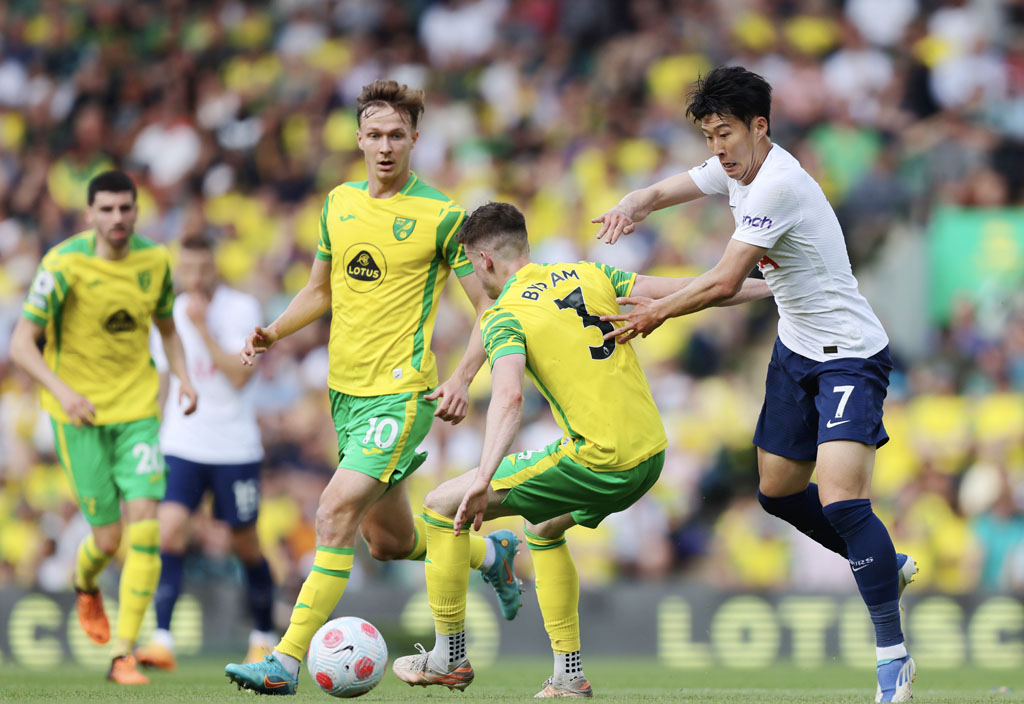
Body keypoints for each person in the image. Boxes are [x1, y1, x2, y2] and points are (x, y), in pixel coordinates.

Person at [593, 66, 918, 703]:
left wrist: (658, 311)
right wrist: (636, 201)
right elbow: (678, 185)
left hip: (849, 356)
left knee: (845, 502)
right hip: (796, 350)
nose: (717, 149)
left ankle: (893, 660)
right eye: (710, 136)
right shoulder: (734, 167)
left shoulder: (778, 185)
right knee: (776, 490)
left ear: (759, 127)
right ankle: (886, 563)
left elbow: (722, 281)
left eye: (725, 134)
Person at [392, 202, 770, 698]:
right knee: (544, 528)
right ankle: (568, 674)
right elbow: (692, 289)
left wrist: (483, 477)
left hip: (601, 459)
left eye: (469, 264)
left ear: (483, 262)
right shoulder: (588, 272)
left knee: (441, 505)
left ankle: (449, 656)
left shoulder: (503, 315)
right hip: (650, 454)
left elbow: (507, 396)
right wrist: (774, 286)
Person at [224, 80, 521, 695]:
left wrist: (464, 376)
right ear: (359, 139)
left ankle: (283, 661)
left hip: (402, 395)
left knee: (331, 512)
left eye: (397, 135)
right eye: (375, 135)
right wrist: (272, 332)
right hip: (346, 399)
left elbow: (488, 308)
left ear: (415, 139)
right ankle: (493, 556)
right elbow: (320, 290)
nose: (385, 146)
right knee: (391, 544)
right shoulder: (339, 203)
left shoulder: (441, 217)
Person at [9, 170, 198, 685]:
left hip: (137, 411)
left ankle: (123, 653)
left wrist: (181, 376)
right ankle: (84, 581)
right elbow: (22, 344)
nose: (117, 218)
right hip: (80, 415)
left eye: (125, 209)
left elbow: (167, 328)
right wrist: (64, 391)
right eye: (107, 210)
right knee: (108, 539)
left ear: (137, 211)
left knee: (145, 523)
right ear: (90, 214)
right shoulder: (63, 264)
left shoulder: (155, 261)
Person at [135, 235, 275, 671]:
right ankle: (161, 639)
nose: (194, 278)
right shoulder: (170, 311)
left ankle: (263, 636)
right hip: (184, 441)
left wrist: (201, 329)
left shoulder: (241, 309)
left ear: (216, 267)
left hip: (234, 445)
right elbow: (163, 379)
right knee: (169, 530)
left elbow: (239, 376)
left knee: (245, 543)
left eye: (202, 269)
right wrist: (151, 439)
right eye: (187, 269)